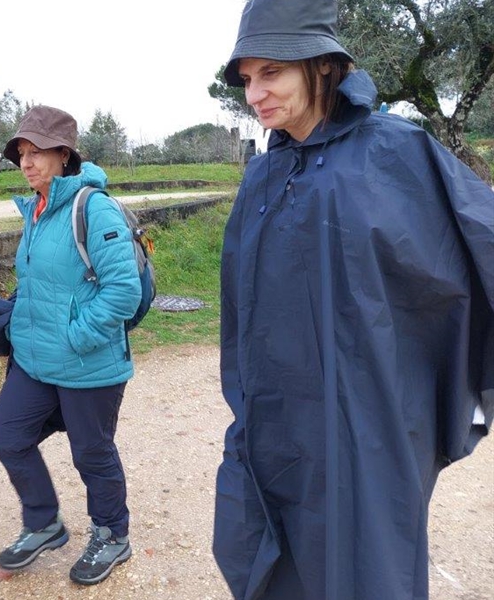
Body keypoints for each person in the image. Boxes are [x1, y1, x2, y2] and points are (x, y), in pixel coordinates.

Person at [213, 1, 494, 599]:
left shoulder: (397, 152)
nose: (255, 95)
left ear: (321, 65)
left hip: (367, 426)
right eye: (247, 78)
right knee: (268, 559)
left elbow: (471, 254)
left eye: (271, 73)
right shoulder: (261, 176)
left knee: (366, 569)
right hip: (275, 423)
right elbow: (240, 308)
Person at [0, 105, 142, 586]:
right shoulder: (36, 209)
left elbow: (123, 290)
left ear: (64, 155)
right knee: (8, 434)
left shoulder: (92, 207)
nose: (27, 162)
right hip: (35, 361)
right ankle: (44, 523)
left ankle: (112, 534)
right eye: (21, 153)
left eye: (37, 152)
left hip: (86, 362)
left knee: (91, 452)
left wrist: (77, 336)